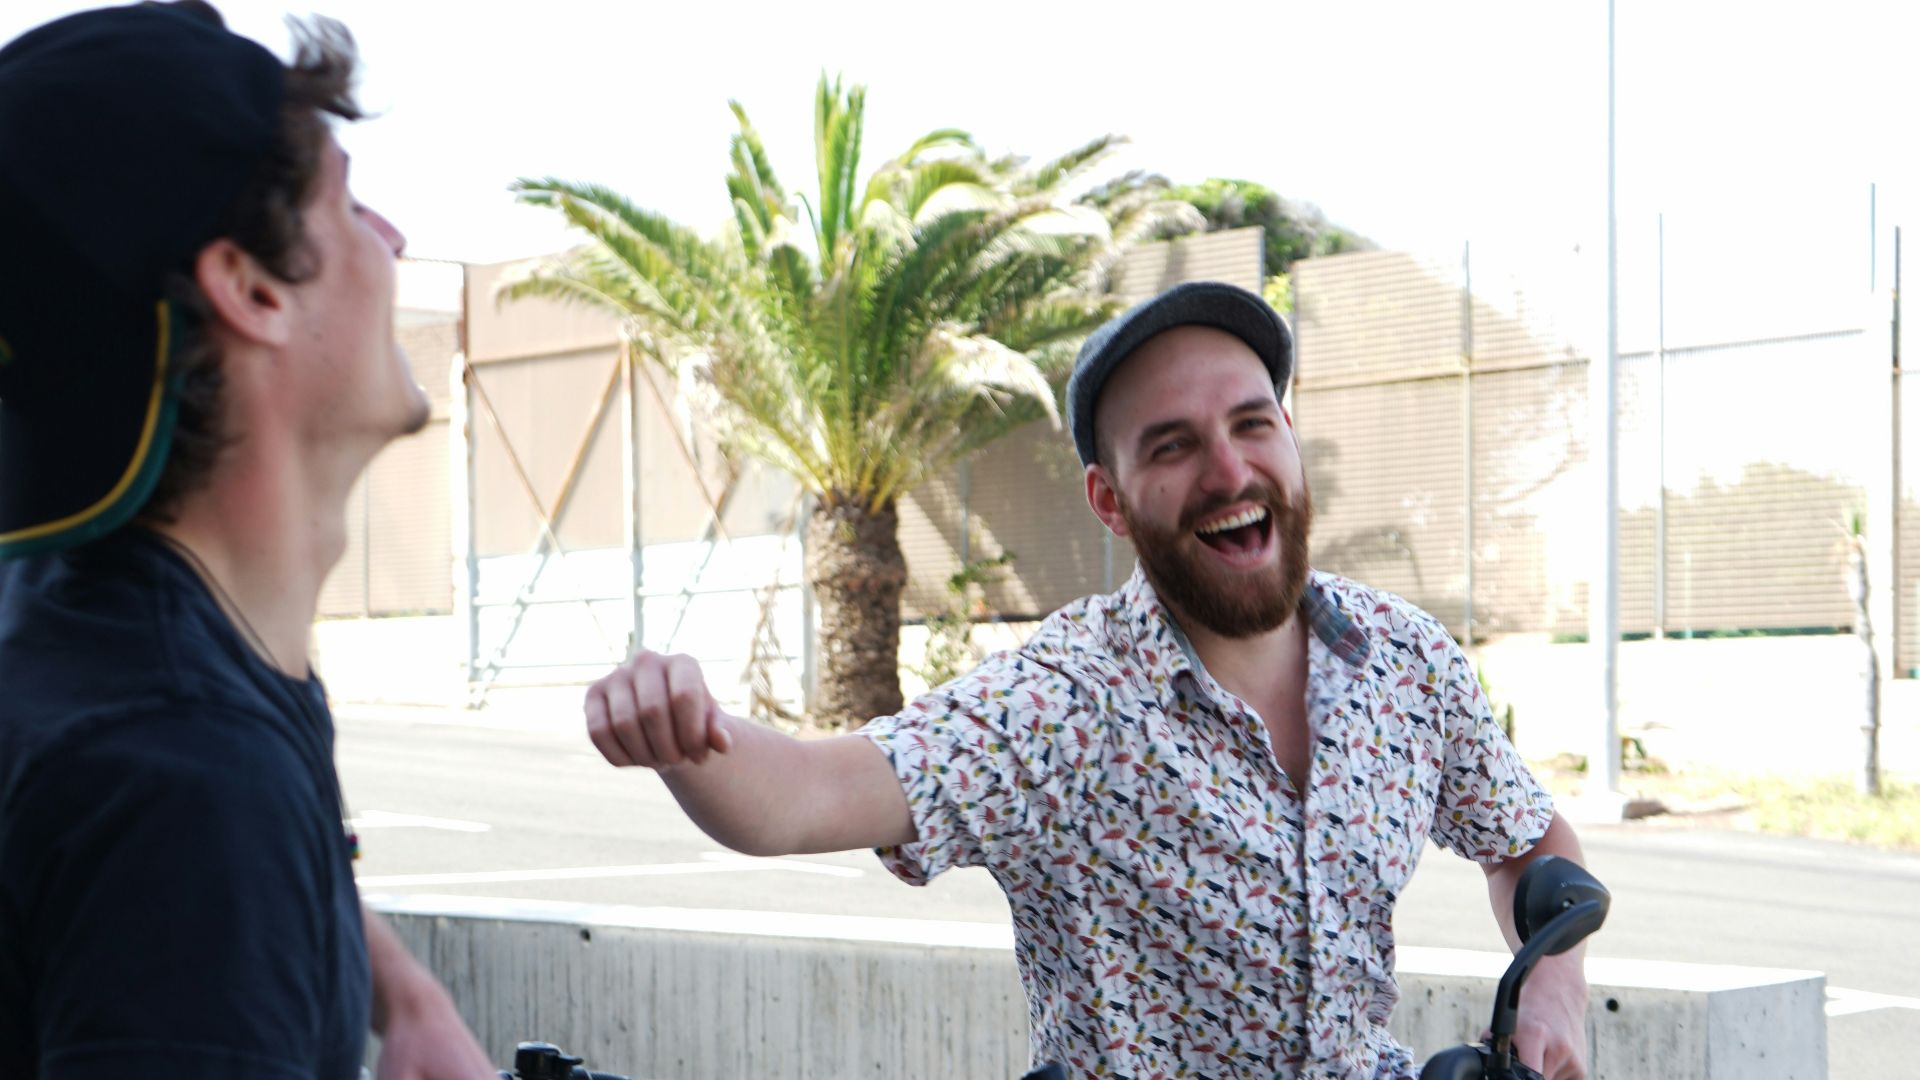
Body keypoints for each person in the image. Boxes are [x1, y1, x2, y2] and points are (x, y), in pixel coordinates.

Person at [583, 281, 1591, 1078]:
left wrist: (1550, 998)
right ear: (1110, 502)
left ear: (1291, 442)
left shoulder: (1403, 661)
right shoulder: (1068, 703)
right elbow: (806, 796)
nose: (1230, 471)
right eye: (1174, 446)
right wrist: (687, 733)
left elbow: (1529, 842)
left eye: (1252, 425)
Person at [0, 4, 496, 1077]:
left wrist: (402, 994)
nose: (394, 237)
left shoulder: (86, 626)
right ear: (254, 290)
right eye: (350, 201)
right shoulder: (180, 779)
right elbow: (188, 826)